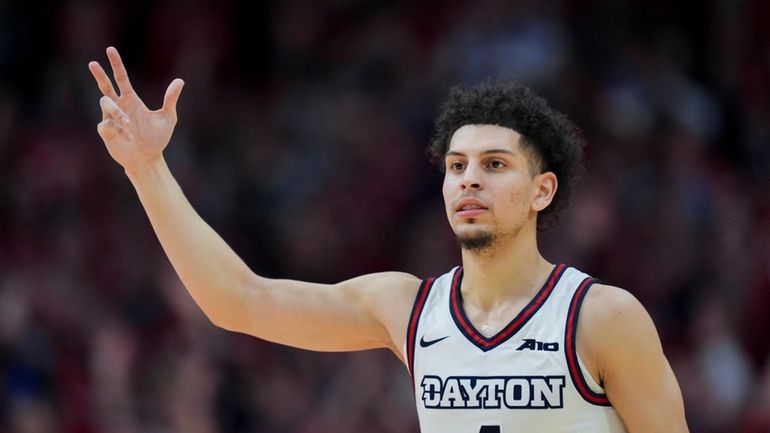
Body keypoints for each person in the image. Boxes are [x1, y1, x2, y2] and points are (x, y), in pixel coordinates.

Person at [88, 46, 689, 432]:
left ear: (542, 190)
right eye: (457, 166)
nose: (470, 178)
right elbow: (238, 301)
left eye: (496, 164)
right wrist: (146, 168)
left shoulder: (603, 318)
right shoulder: (407, 308)